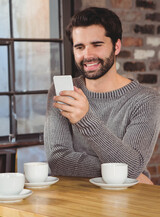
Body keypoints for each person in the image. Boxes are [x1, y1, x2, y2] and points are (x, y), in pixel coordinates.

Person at [44, 7, 160, 183]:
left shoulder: (146, 100)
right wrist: (128, 172)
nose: (87, 55)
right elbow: (58, 161)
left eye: (97, 45)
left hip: (123, 201)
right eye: (80, 47)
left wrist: (84, 119)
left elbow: (131, 167)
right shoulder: (63, 91)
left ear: (116, 46)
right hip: (71, 198)